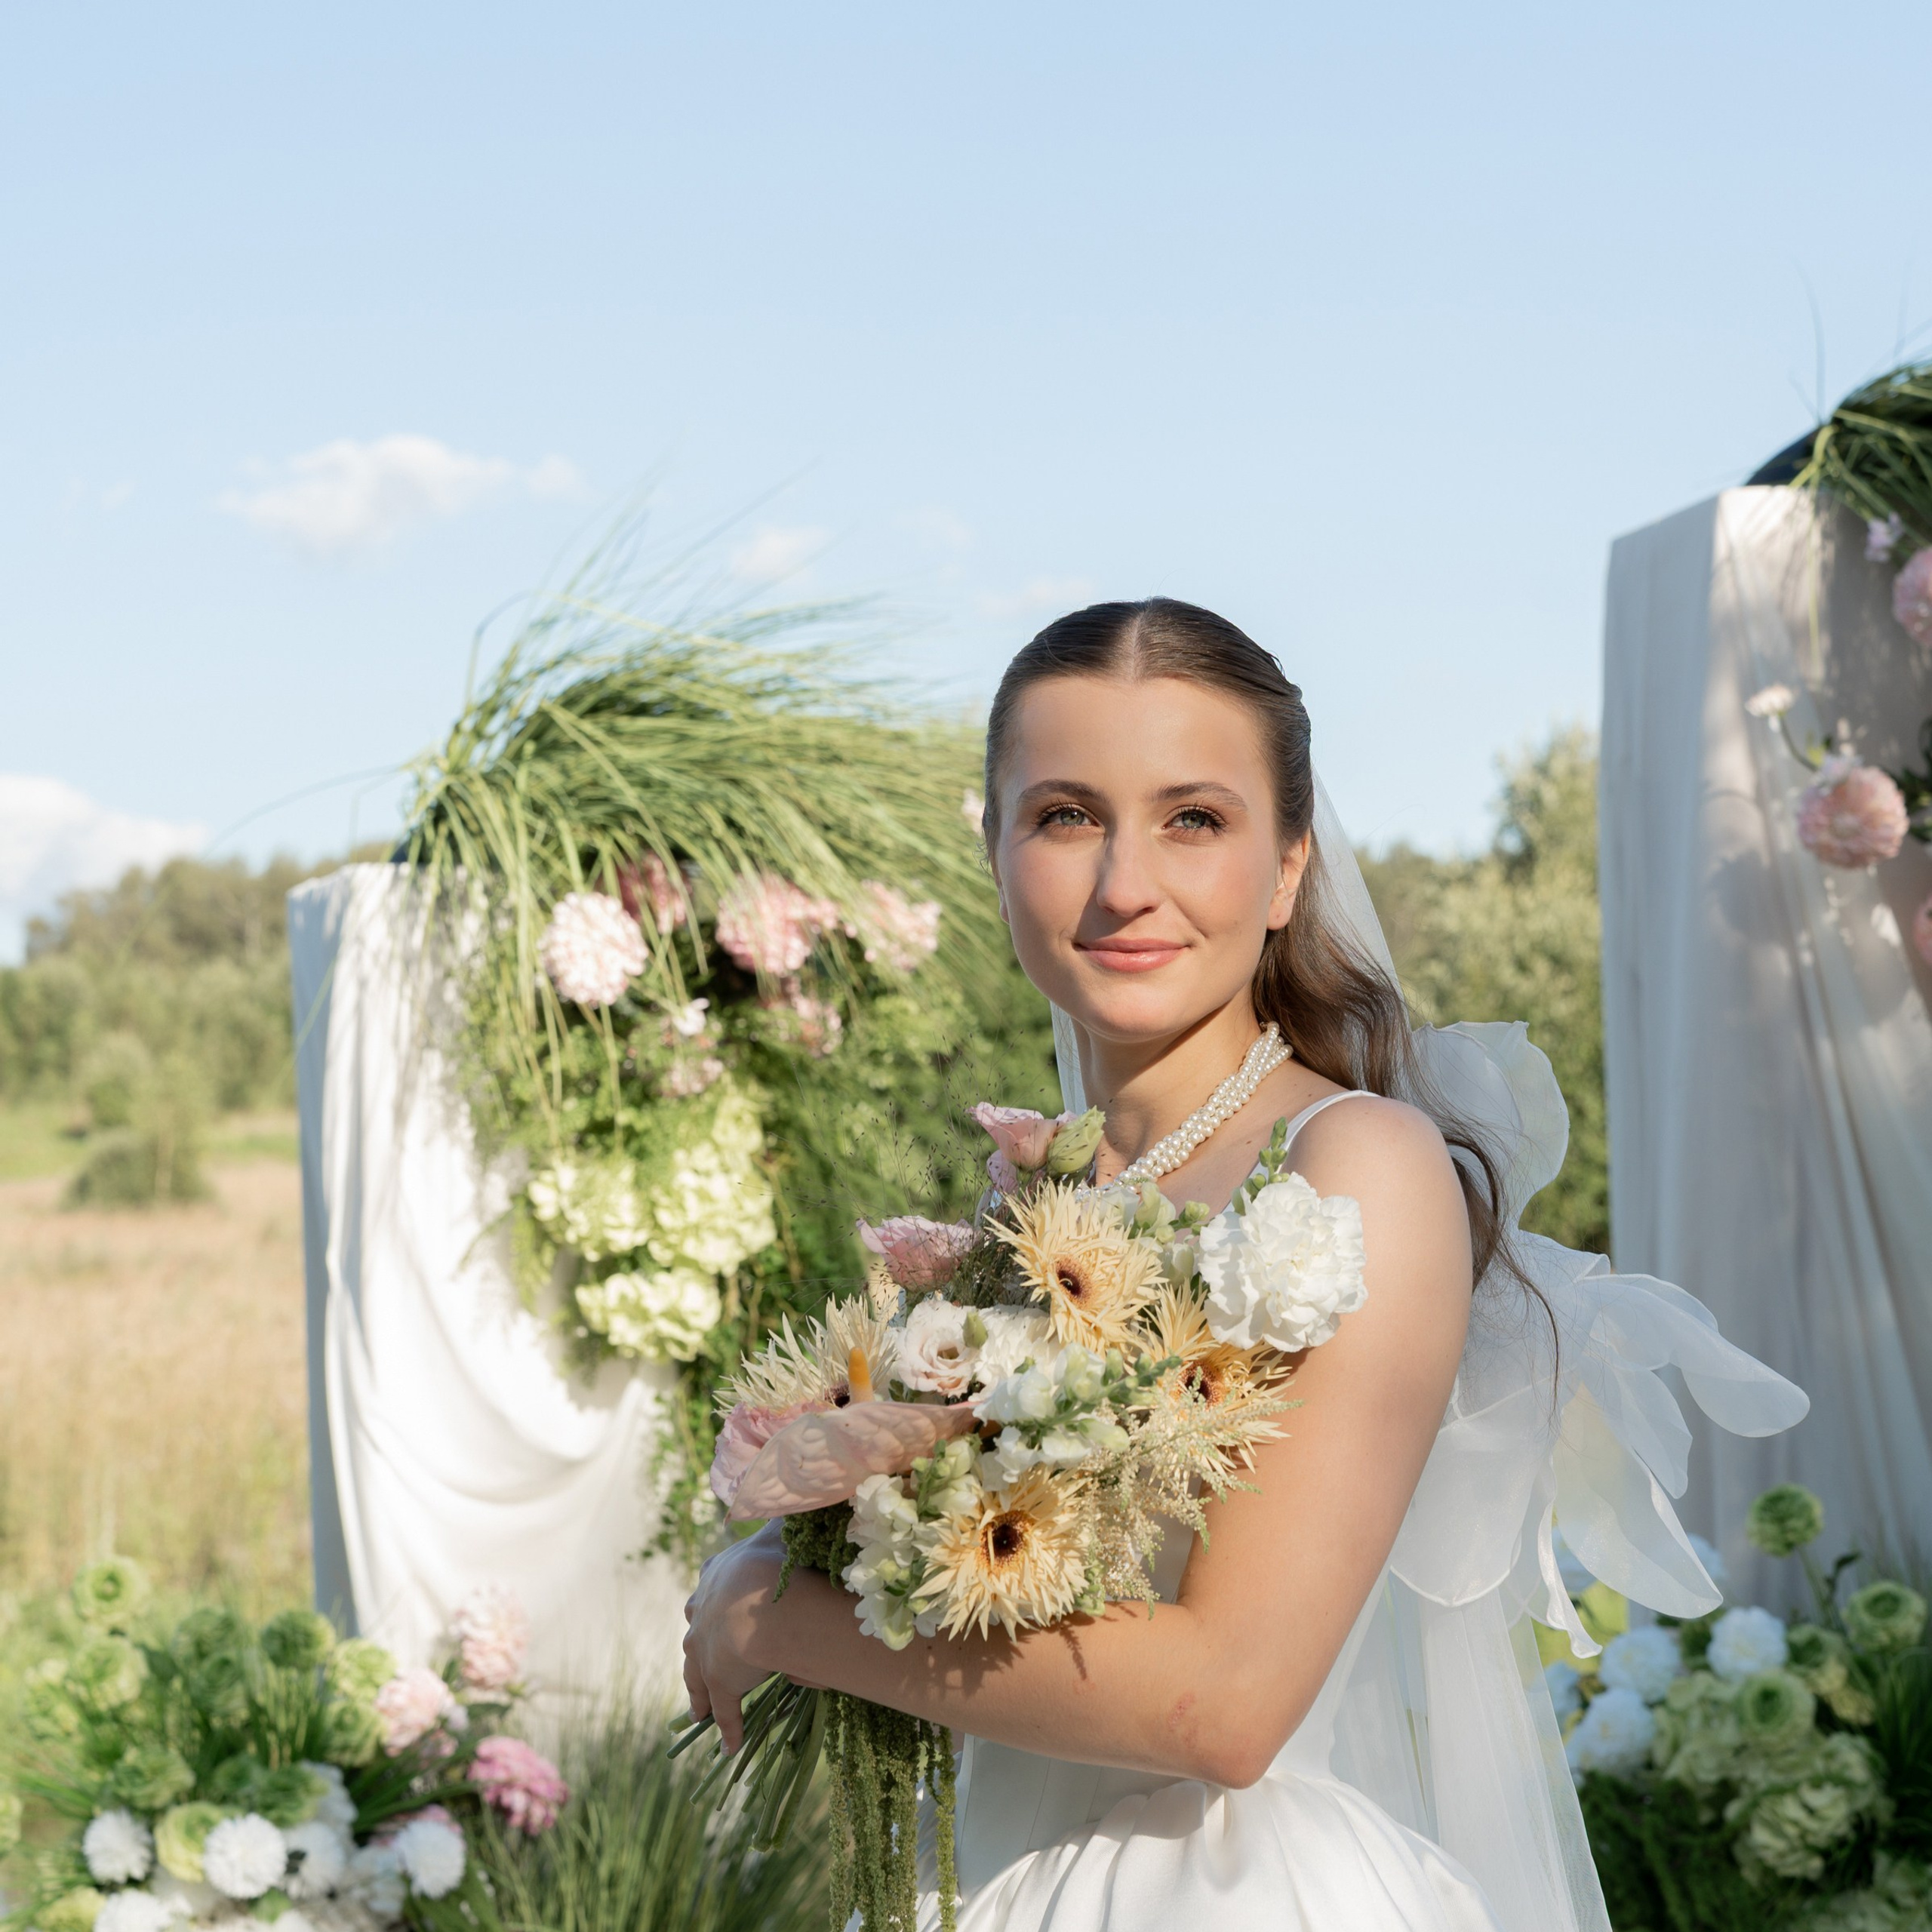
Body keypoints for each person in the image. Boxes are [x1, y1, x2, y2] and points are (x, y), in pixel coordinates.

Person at [682, 598, 1807, 1932]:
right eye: (1064, 815)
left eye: (1194, 819)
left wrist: (768, 1613)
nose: (1124, 884)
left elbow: (1230, 1703)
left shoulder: (1357, 1165)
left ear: (1286, 870)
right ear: (991, 849)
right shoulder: (1035, 1210)